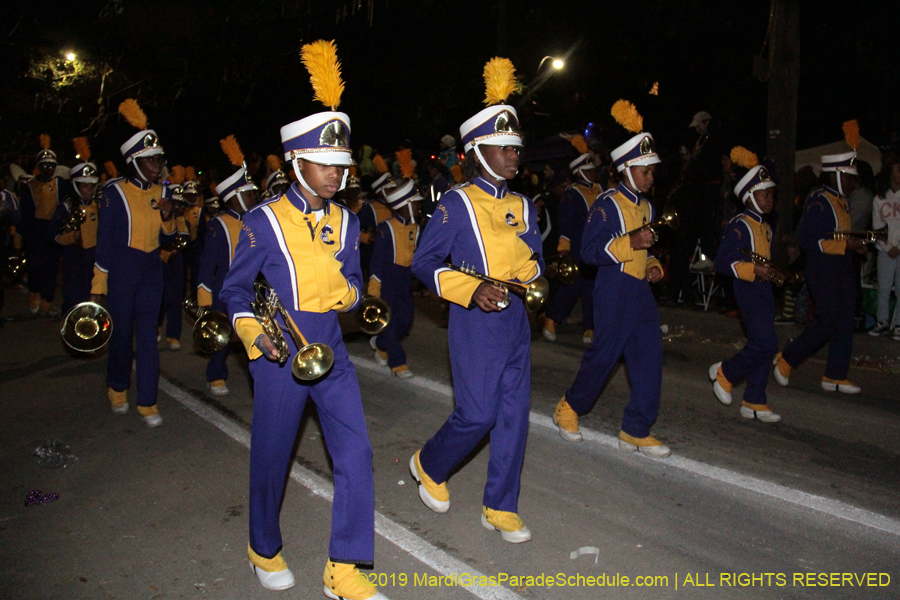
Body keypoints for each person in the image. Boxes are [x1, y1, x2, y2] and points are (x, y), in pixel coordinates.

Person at [219, 40, 387, 599]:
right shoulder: (264, 220)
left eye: (343, 165)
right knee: (273, 454)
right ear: (296, 161)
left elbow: (355, 285)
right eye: (326, 163)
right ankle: (261, 546)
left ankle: (344, 567)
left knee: (357, 452)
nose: (338, 174)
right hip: (278, 352)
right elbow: (236, 290)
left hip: (330, 348)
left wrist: (349, 298)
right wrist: (255, 335)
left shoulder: (345, 218)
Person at [410, 57, 543, 544]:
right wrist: (471, 290)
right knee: (478, 415)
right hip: (475, 320)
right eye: (503, 148)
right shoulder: (456, 202)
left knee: (512, 416)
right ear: (477, 152)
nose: (514, 156)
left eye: (516, 148)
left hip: (515, 324)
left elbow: (534, 260)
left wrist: (532, 274)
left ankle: (501, 505)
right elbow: (424, 263)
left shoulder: (523, 204)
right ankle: (429, 462)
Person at [553, 99, 671, 458]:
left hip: (639, 292)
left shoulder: (648, 207)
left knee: (649, 358)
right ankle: (569, 409)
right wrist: (630, 243)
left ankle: (636, 428)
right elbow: (589, 252)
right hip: (613, 288)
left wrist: (652, 263)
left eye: (653, 171)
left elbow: (645, 247)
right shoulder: (606, 203)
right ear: (628, 169)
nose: (652, 177)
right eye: (646, 171)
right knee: (604, 355)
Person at [89, 99, 176, 426]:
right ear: (135, 161)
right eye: (152, 159)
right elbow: (106, 244)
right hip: (123, 272)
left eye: (159, 159)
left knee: (149, 338)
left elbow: (170, 238)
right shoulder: (115, 192)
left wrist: (169, 217)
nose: (158, 164)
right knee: (122, 334)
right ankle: (117, 387)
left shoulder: (161, 194)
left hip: (151, 271)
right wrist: (98, 287)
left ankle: (148, 401)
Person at [774, 121, 866, 394]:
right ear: (837, 175)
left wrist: (854, 245)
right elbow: (810, 240)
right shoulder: (819, 201)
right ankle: (787, 359)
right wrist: (847, 245)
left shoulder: (841, 202)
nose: (852, 183)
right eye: (849, 178)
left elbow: (836, 235)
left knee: (845, 320)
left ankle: (835, 375)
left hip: (842, 269)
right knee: (826, 320)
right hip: (823, 269)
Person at [709, 147, 782, 423]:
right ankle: (727, 372)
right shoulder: (740, 224)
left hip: (762, 288)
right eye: (765, 194)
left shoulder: (765, 226)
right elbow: (721, 262)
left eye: (772, 194)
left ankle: (754, 399)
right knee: (766, 343)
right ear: (750, 196)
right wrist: (755, 269)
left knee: (763, 342)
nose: (770, 199)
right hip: (747, 287)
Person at [197, 136, 260, 396]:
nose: (255, 195)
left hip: (255, 290)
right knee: (222, 337)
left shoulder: (257, 221)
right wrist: (205, 303)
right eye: (249, 192)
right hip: (225, 290)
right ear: (234, 197)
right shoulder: (219, 225)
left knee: (257, 336)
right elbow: (206, 267)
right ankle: (215, 374)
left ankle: (261, 377)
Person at [542, 136, 604, 344]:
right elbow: (566, 223)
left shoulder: (599, 190)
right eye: (589, 168)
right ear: (580, 171)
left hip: (596, 246)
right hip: (578, 247)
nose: (593, 171)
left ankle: (590, 327)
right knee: (572, 287)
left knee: (593, 289)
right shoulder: (573, 193)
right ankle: (552, 318)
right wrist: (564, 246)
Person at [368, 179, 421, 379]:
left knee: (406, 320)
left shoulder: (416, 228)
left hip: (405, 279)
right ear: (406, 206)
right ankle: (398, 363)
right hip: (387, 279)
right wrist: (374, 289)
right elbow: (377, 262)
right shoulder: (386, 227)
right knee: (388, 320)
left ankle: (382, 345)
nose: (418, 206)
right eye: (415, 203)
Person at [20, 135, 68, 316]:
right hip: (36, 230)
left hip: (54, 228)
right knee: (35, 266)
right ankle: (34, 292)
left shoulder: (61, 184)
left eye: (51, 166)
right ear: (39, 167)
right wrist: (24, 234)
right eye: (44, 165)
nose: (48, 169)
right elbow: (26, 212)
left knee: (51, 266)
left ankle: (48, 297)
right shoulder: (29, 186)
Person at [53, 139, 100, 314]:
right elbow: (54, 236)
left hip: (93, 258)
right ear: (76, 185)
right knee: (73, 299)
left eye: (92, 185)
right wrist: (71, 237)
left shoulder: (100, 207)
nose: (89, 189)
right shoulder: (66, 207)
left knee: (92, 300)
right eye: (84, 185)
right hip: (74, 258)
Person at [869, 161, 900, 339]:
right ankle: (882, 322)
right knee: (884, 287)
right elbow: (877, 226)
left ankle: (898, 324)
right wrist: (888, 247)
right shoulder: (879, 199)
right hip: (885, 250)